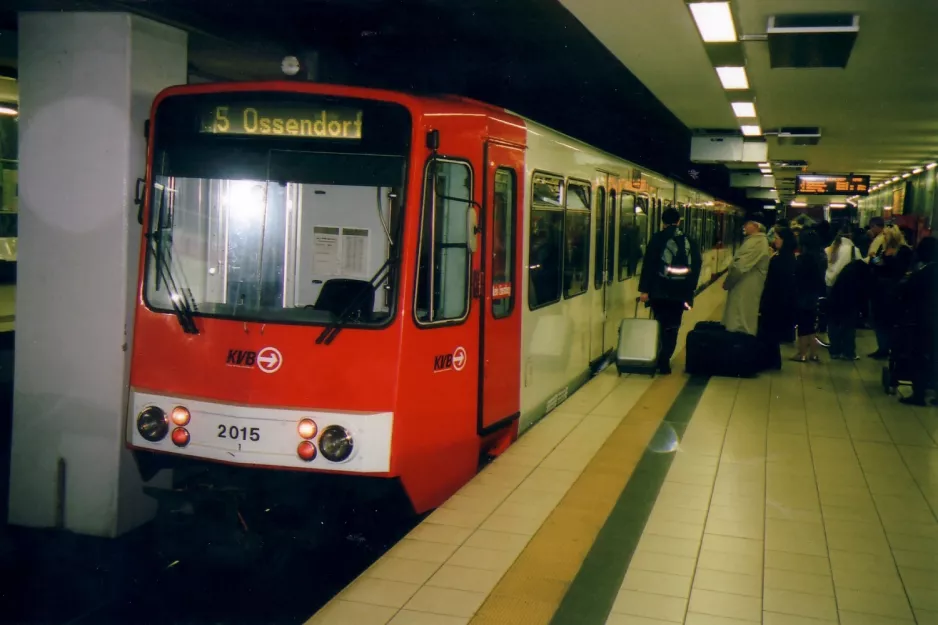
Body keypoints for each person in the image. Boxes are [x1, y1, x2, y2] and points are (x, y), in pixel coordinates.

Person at [638, 206, 702, 374]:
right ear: (679, 221)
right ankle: (664, 360)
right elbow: (696, 265)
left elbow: (649, 265)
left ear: (663, 222)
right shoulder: (689, 240)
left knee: (659, 322)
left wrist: (644, 290)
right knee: (673, 326)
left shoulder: (657, 238)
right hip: (680, 293)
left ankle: (656, 356)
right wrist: (690, 290)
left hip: (659, 292)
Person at [895, 237, 937, 405]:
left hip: (922, 320)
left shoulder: (923, 272)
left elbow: (906, 292)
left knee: (918, 356)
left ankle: (918, 394)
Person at [868, 225, 914, 359]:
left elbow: (898, 268)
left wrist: (881, 262)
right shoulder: (883, 250)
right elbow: (876, 265)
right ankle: (882, 347)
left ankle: (891, 347)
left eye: (886, 235)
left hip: (893, 290)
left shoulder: (904, 251)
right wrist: (876, 260)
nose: (884, 237)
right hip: (879, 289)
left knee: (889, 320)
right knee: (878, 320)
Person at [723, 219, 771, 336]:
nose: (744, 226)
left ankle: (740, 345)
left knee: (740, 322)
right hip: (744, 288)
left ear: (756, 226)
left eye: (747, 224)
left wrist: (728, 282)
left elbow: (739, 267)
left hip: (745, 289)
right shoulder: (755, 241)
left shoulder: (757, 242)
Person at [758, 227, 797, 369]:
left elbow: (775, 282)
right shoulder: (786, 256)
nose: (775, 240)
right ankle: (772, 361)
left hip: (775, 302)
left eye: (777, 238)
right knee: (771, 334)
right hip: (778, 301)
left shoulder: (782, 259)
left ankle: (770, 362)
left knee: (770, 333)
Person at [790, 230, 827, 362]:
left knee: (803, 325)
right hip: (814, 294)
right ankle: (814, 353)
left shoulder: (803, 259)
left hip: (803, 295)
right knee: (810, 325)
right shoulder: (821, 257)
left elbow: (797, 277)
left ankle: (802, 353)